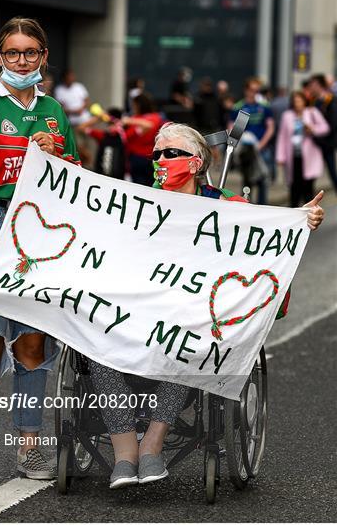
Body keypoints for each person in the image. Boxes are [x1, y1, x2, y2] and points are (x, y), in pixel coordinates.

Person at [88, 121, 324, 490]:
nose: (159, 160)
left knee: (191, 341)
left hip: (191, 320)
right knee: (93, 343)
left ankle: (153, 443)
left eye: (170, 153)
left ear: (195, 163)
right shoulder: (137, 203)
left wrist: (299, 220)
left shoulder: (229, 206)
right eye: (156, 154)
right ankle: (124, 452)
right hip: (136, 316)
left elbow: (267, 238)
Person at [0, 16, 80, 482]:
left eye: (30, 52)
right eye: (12, 53)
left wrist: (56, 152)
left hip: (42, 237)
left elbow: (74, 177)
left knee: (32, 344)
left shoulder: (54, 110)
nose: (21, 60)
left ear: (44, 56)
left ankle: (29, 447)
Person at [276, 91, 329, 207]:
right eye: (295, 101)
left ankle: (308, 214)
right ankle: (294, 213)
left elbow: (325, 127)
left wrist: (312, 129)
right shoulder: (287, 115)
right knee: (294, 187)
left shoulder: (311, 112)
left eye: (299, 101)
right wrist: (280, 156)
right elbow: (282, 136)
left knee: (308, 187)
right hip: (293, 155)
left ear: (304, 101)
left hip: (309, 156)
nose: (297, 104)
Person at [229, 77, 275, 204]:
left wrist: (261, 145)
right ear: (246, 90)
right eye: (251, 89)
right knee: (247, 181)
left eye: (256, 90)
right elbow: (232, 128)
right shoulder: (239, 107)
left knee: (263, 180)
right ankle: (246, 207)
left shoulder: (264, 107)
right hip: (246, 150)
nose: (253, 93)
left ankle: (262, 207)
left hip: (262, 148)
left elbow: (270, 128)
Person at [122, 93, 164, 186]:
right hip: (142, 158)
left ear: (138, 105)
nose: (133, 108)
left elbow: (126, 136)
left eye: (134, 105)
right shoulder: (155, 117)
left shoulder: (152, 117)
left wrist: (129, 121)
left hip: (144, 158)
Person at [54, 69, 93, 167]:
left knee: (86, 145)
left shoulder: (79, 87)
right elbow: (60, 107)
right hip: (73, 124)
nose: (71, 78)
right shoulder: (59, 90)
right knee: (78, 147)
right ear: (64, 78)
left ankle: (87, 167)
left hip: (85, 121)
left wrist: (81, 109)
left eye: (72, 76)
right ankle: (85, 165)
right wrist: (74, 111)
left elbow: (86, 101)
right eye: (69, 77)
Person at [308, 73, 337, 193]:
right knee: (311, 173)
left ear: (320, 85)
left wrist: (325, 140)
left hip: (326, 143)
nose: (311, 87)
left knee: (332, 172)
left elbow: (333, 124)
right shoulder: (314, 102)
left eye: (313, 84)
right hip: (315, 143)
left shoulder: (330, 100)